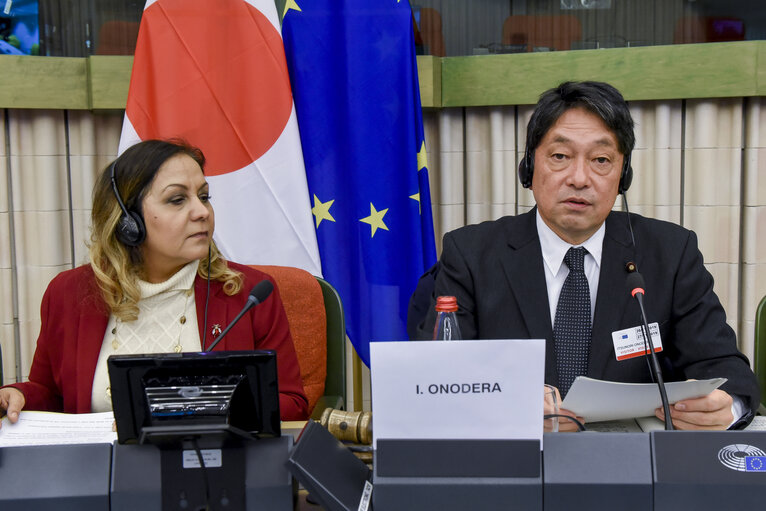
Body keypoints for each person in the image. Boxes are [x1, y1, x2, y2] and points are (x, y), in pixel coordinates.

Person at [416, 81, 760, 431]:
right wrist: (509, 407)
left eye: (601, 160)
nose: (579, 179)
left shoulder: (670, 253)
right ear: (528, 167)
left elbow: (727, 371)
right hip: (516, 461)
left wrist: (726, 408)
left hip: (632, 466)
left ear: (622, 175)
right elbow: (436, 381)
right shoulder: (472, 255)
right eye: (560, 156)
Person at [0, 139, 308, 425]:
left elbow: (291, 403)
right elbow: (52, 394)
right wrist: (20, 396)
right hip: (103, 475)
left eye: (204, 196)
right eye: (177, 200)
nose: (202, 212)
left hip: (214, 469)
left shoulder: (249, 293)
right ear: (127, 222)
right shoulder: (69, 294)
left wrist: (202, 408)